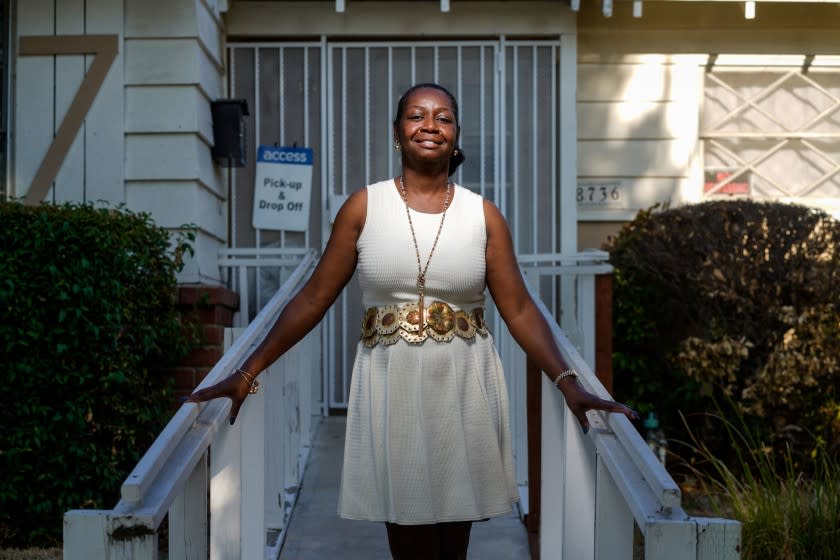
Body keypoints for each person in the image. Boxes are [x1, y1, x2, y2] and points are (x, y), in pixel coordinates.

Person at [185, 82, 639, 560]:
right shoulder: (364, 207)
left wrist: (568, 382)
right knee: (412, 545)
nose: (430, 126)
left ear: (456, 135)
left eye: (443, 118)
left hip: (464, 389)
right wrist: (247, 373)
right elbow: (313, 298)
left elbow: (521, 310)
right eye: (417, 116)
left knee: (452, 548)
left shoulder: (483, 216)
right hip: (392, 389)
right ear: (397, 133)